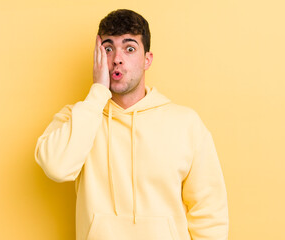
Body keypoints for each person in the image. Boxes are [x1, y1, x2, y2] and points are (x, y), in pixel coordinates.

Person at [34, 9, 229, 240]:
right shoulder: (78, 118)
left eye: (129, 48)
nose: (117, 58)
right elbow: (56, 167)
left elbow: (210, 212)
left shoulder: (186, 123)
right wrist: (97, 94)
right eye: (108, 49)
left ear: (147, 59)